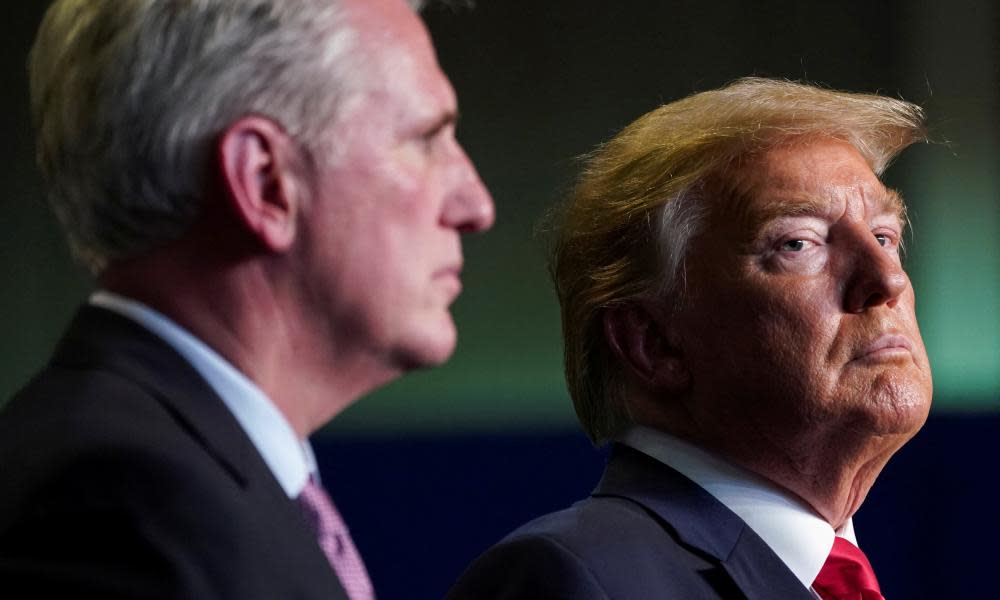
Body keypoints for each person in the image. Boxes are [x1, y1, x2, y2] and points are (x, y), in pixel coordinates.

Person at [0, 0, 493, 597]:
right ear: (265, 183)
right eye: (425, 140)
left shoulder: (183, 475)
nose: (476, 207)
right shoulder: (116, 507)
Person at [448, 78, 932, 600]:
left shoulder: (831, 576)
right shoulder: (573, 578)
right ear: (652, 342)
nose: (889, 280)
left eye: (885, 236)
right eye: (798, 242)